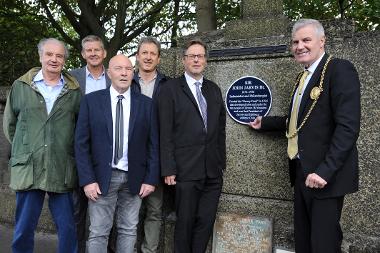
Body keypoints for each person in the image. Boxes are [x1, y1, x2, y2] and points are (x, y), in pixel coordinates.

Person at [249, 19, 360, 253]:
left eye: (306, 40)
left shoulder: (339, 69)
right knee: (304, 241)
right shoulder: (303, 77)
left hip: (324, 176)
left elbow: (348, 127)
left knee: (323, 244)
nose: (299, 46)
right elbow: (302, 120)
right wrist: (266, 123)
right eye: (295, 42)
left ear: (322, 41)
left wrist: (325, 171)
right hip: (301, 172)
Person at [74, 54, 159, 253]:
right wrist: (87, 180)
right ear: (109, 73)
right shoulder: (91, 102)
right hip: (101, 179)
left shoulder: (146, 104)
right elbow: (81, 144)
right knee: (98, 231)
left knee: (129, 230)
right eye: (118, 69)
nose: (123, 73)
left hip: (135, 179)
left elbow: (154, 145)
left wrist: (151, 179)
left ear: (133, 73)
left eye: (128, 69)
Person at [3, 38, 81, 253]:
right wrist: (27, 147)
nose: (54, 59)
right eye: (49, 54)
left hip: (61, 166)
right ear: (40, 56)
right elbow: (10, 126)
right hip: (30, 165)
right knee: (24, 226)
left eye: (59, 56)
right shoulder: (21, 86)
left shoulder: (74, 91)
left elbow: (79, 130)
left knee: (67, 227)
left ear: (65, 60)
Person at [158, 39, 226, 253]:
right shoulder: (170, 89)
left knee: (205, 223)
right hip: (185, 171)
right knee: (185, 224)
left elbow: (221, 129)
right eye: (192, 56)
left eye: (200, 56)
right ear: (184, 60)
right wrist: (168, 167)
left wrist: (221, 161)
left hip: (212, 171)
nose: (196, 59)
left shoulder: (213, 90)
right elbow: (164, 131)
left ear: (206, 60)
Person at [69, 34, 111, 253]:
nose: (93, 53)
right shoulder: (72, 78)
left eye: (97, 50)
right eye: (89, 50)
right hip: (80, 150)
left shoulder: (114, 77)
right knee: (77, 208)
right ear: (83, 54)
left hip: (108, 153)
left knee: (107, 207)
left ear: (104, 53)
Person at [132, 36, 168, 253]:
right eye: (144, 53)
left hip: (157, 158)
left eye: (152, 53)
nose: (147, 57)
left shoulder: (168, 85)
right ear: (137, 56)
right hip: (130, 157)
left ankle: (149, 250)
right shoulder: (126, 81)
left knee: (154, 210)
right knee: (129, 210)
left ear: (158, 59)